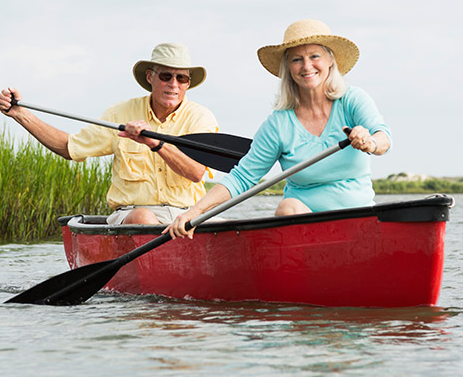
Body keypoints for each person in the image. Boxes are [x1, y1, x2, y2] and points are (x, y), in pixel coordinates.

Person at [166, 19, 391, 239]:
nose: (306, 66)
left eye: (314, 56)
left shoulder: (353, 100)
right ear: (288, 68)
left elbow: (383, 138)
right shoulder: (278, 124)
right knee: (288, 207)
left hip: (360, 223)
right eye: (296, 59)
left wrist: (370, 142)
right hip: (305, 230)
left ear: (330, 60)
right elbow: (242, 177)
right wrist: (194, 212)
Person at [0, 43, 218, 225]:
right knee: (143, 217)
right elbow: (68, 147)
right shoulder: (119, 113)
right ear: (150, 77)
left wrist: (154, 143)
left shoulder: (201, 117)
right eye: (166, 76)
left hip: (189, 215)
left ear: (188, 83)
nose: (174, 85)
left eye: (182, 79)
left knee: (227, 224)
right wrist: (20, 115)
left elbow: (196, 173)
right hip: (132, 215)